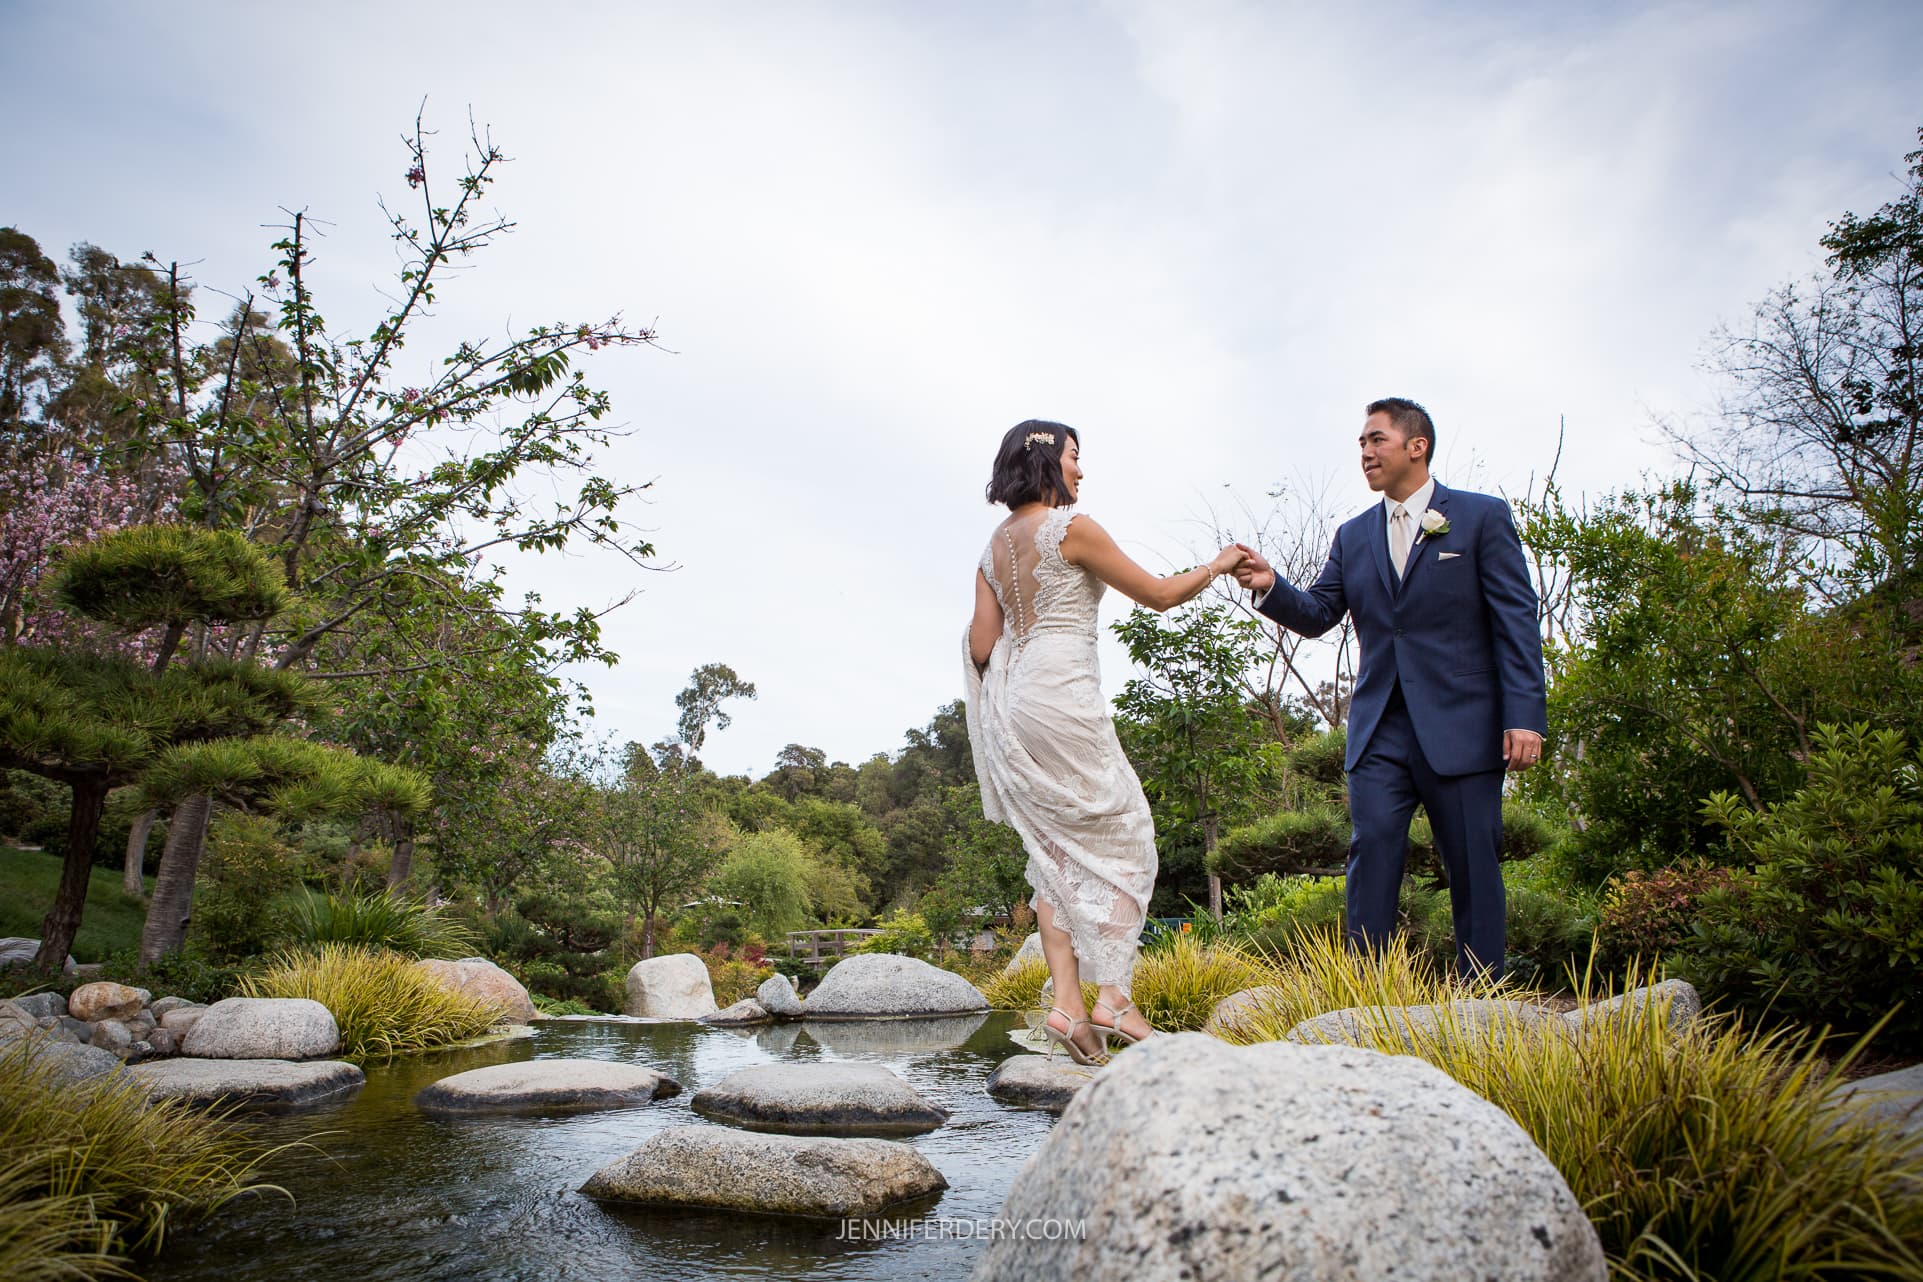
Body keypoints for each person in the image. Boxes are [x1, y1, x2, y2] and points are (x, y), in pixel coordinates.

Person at [1233, 398, 1546, 977]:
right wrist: (1271, 584)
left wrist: (1524, 715)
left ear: (1416, 446)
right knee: (1372, 848)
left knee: (1473, 863)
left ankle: (1483, 995)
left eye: (1375, 440)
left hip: (1464, 726)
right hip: (1380, 728)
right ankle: (1365, 987)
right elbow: (1321, 611)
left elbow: (1516, 623)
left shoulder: (1480, 518)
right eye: (1360, 444)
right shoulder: (1353, 536)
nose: (1365, 453)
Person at [964, 419, 1246, 1063]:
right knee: (1128, 834)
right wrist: (1220, 563)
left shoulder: (991, 549)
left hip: (1019, 701)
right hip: (1066, 691)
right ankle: (1113, 996)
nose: (1081, 471)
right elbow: (1159, 596)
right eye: (1074, 457)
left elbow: (981, 646)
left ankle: (1067, 1005)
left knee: (1057, 849)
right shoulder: (1072, 530)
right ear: (1046, 463)